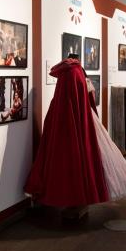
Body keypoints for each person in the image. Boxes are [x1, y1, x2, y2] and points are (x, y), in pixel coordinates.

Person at [25, 57, 108, 208]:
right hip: (76, 119)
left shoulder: (65, 71)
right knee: (76, 159)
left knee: (60, 159)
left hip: (60, 119)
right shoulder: (77, 71)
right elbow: (86, 98)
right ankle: (76, 198)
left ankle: (64, 198)